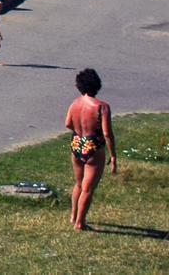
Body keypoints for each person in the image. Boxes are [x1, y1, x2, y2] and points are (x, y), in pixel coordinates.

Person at [65, 68, 117, 231]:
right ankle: (80, 223)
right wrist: (113, 156)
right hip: (93, 145)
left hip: (76, 142)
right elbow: (107, 133)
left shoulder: (75, 103)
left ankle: (73, 217)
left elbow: (68, 124)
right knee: (88, 188)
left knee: (79, 184)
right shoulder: (102, 107)